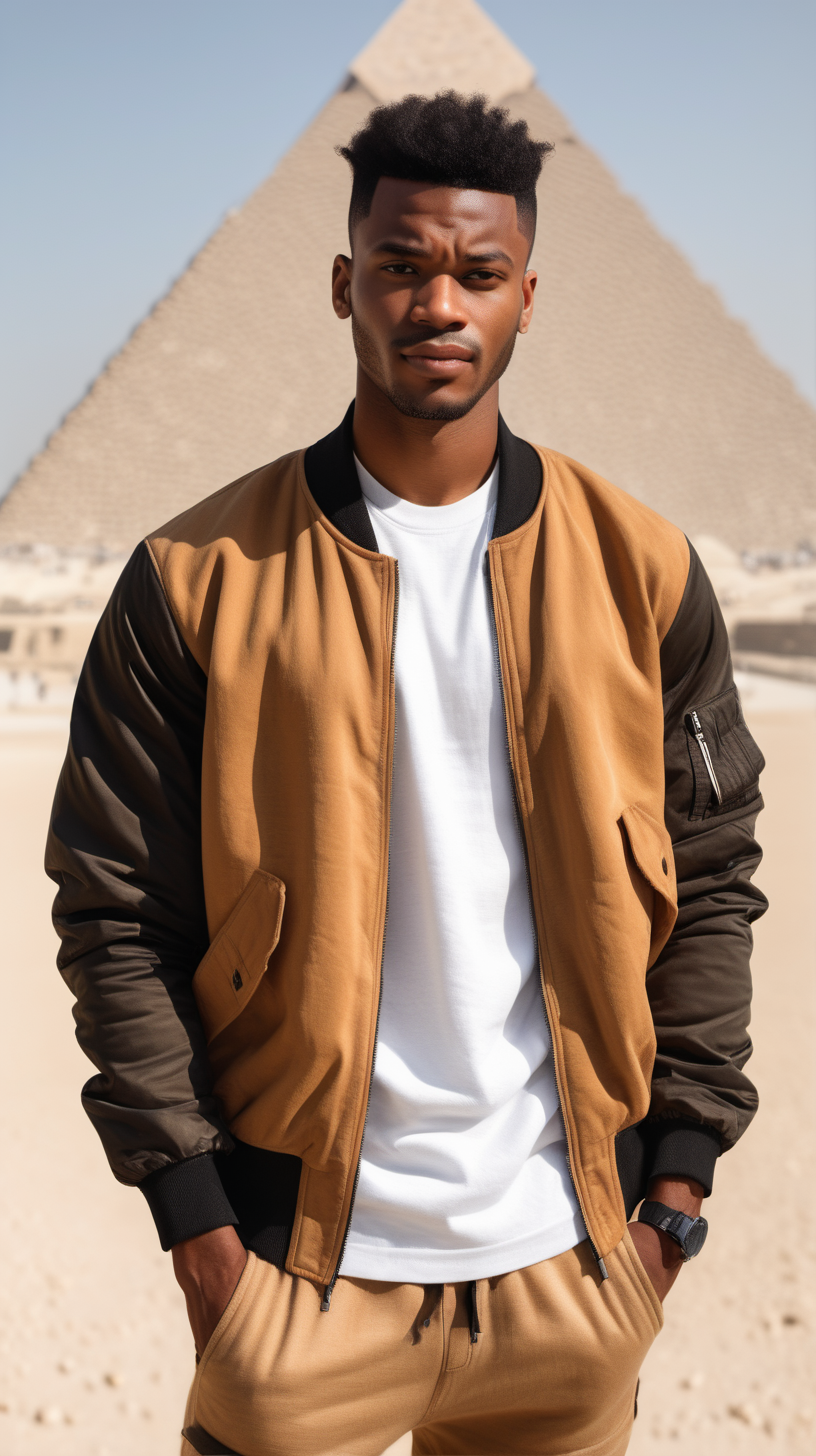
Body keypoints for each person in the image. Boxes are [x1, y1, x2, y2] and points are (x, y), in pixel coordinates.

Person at [46, 91, 767, 1456]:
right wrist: (201, 1235)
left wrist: (675, 1193)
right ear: (343, 284)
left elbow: (715, 877)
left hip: (575, 1276)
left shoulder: (646, 572)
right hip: (297, 1279)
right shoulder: (195, 581)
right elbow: (112, 912)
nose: (440, 302)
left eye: (479, 273)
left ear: (528, 297)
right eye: (402, 265)